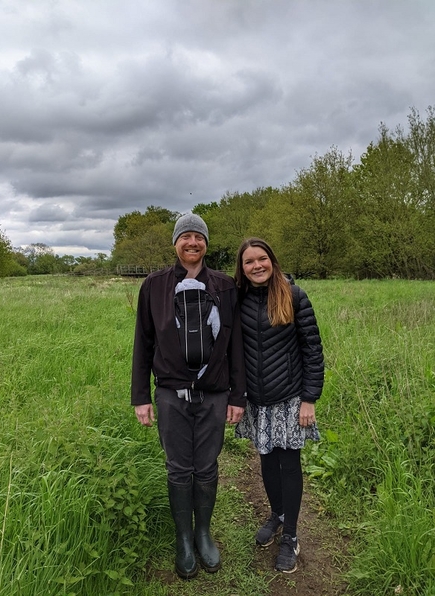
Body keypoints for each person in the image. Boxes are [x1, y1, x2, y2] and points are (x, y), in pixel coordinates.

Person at [131, 213, 246, 579]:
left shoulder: (226, 286)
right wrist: (141, 396)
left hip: (214, 394)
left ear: (206, 244)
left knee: (208, 465)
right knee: (179, 468)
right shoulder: (154, 286)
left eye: (198, 237)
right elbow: (143, 343)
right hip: (169, 395)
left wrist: (237, 397)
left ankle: (203, 533)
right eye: (186, 237)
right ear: (175, 243)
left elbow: (236, 346)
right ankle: (183, 539)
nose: (192, 243)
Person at [234, 237, 324, 574]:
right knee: (267, 460)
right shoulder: (238, 299)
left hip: (289, 398)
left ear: (272, 260)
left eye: (262, 259)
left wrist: (309, 398)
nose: (257, 265)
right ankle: (277, 513)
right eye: (249, 261)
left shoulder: (294, 295)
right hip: (258, 400)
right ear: (241, 269)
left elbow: (313, 350)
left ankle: (292, 535)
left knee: (289, 463)